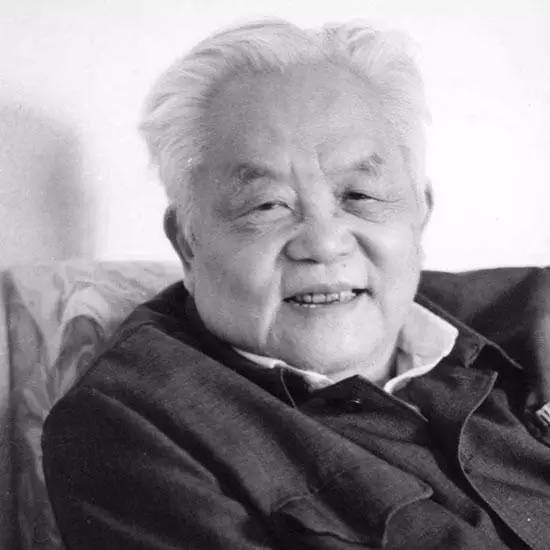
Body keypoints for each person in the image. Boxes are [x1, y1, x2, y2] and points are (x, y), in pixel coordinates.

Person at [42, 18, 550, 550]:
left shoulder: (529, 313)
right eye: (267, 206)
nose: (324, 243)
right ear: (188, 242)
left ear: (420, 213)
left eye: (360, 196)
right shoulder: (132, 428)